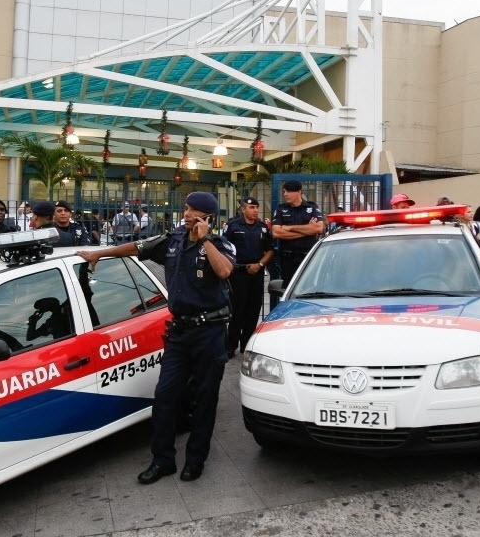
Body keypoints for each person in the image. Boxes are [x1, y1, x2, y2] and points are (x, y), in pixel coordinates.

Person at [76, 191, 236, 484]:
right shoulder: (173, 241)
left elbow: (224, 270)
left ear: (207, 217)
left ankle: (196, 460)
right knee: (164, 397)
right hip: (179, 333)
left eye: (192, 210)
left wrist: (205, 240)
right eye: (186, 208)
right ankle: (163, 460)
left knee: (204, 399)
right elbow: (137, 247)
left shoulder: (220, 244)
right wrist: (100, 254)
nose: (186, 214)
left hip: (210, 333)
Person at [223, 196, 274, 359]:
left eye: (257, 207)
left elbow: (270, 250)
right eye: (252, 208)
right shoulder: (233, 226)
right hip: (238, 274)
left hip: (256, 273)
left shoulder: (262, 227)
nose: (255, 210)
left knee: (253, 311)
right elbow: (224, 248)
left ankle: (247, 345)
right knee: (237, 311)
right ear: (243, 209)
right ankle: (230, 346)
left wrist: (259, 264)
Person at [272, 180, 324, 288]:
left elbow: (319, 228)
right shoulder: (281, 209)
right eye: (284, 191)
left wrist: (290, 228)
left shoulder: (312, 207)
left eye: (289, 191)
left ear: (299, 192)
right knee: (288, 288)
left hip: (307, 257)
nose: (285, 194)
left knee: (308, 288)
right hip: (288, 259)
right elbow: (276, 232)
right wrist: (308, 230)